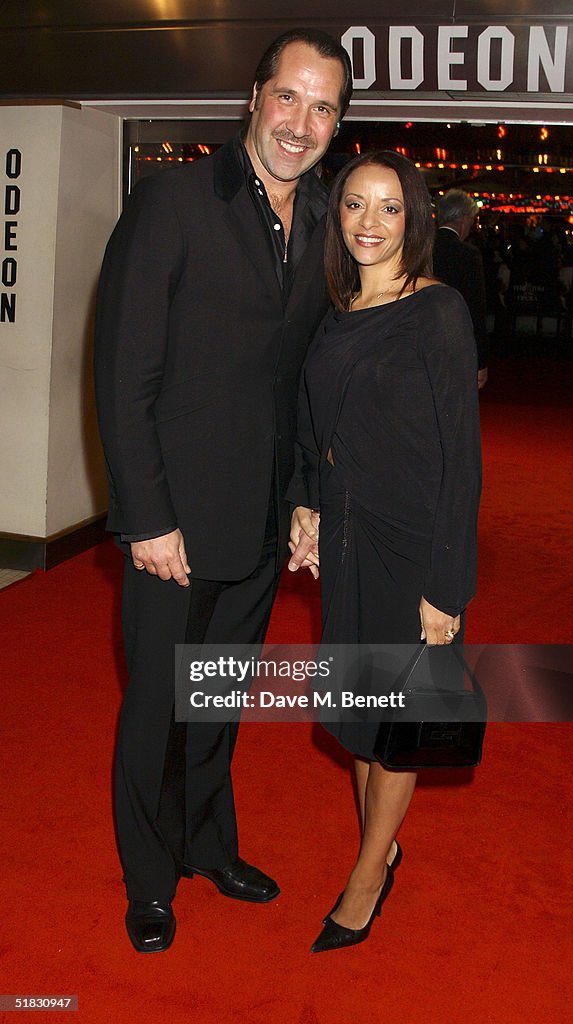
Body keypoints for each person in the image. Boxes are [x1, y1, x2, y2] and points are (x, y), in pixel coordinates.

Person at [94, 28, 352, 953]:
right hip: (174, 521)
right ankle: (149, 879)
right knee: (156, 703)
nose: (301, 122)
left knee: (215, 698)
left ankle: (209, 846)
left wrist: (303, 499)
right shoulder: (174, 202)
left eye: (323, 107)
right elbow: (124, 373)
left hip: (258, 519)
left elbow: (300, 382)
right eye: (289, 97)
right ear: (254, 96)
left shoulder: (322, 223)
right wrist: (147, 515)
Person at [288, 152, 481, 953]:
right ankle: (382, 845)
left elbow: (460, 457)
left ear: (415, 220)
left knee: (398, 715)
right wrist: (304, 503)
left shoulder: (436, 311)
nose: (369, 223)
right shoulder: (333, 311)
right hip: (346, 535)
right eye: (355, 206)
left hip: (411, 543)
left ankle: (368, 873)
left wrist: (446, 584)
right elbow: (311, 423)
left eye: (389, 208)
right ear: (336, 217)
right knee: (358, 711)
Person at [433, 189, 489, 388]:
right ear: (465, 219)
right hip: (455, 341)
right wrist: (480, 360)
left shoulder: (420, 248)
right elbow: (476, 308)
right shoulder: (468, 254)